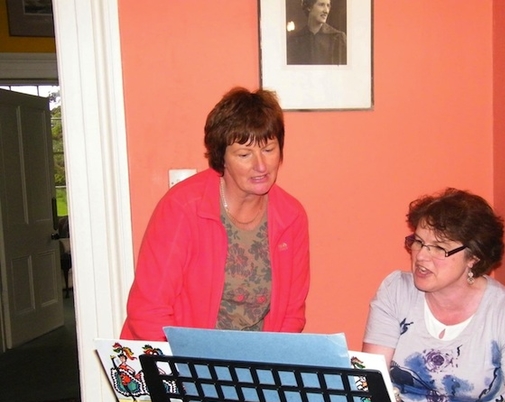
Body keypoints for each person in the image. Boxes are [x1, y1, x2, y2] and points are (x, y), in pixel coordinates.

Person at [362, 188, 505, 402]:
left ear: (474, 257)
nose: (421, 256)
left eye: (439, 248)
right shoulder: (396, 292)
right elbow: (368, 377)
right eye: (418, 242)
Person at [120, 87, 310, 341]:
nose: (261, 166)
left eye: (268, 149)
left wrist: (266, 366)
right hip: (180, 359)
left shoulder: (291, 216)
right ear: (222, 158)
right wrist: (187, 371)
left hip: (255, 362)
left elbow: (291, 314)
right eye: (244, 154)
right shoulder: (183, 207)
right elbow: (148, 310)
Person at [287, 0, 347, 65]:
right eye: (321, 5)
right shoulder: (295, 39)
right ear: (309, 7)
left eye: (328, 5)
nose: (326, 11)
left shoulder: (338, 38)